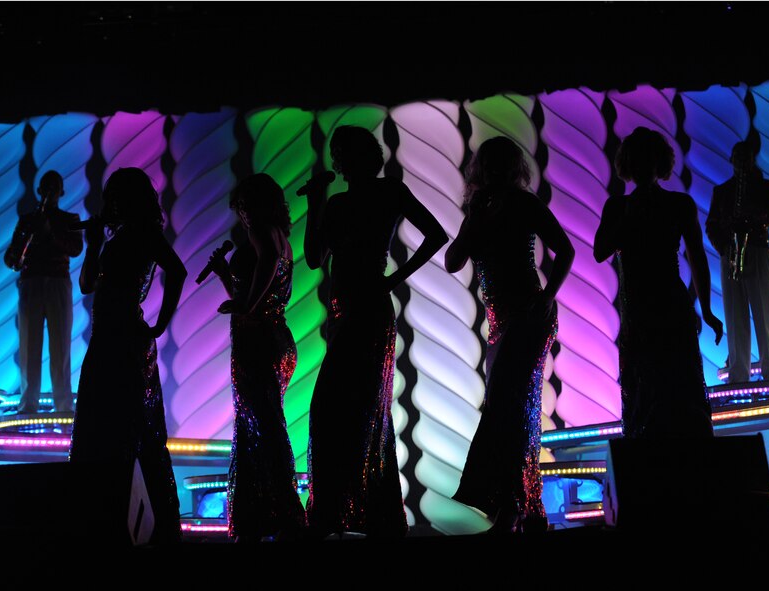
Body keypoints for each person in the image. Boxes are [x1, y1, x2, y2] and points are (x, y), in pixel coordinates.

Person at [303, 125, 448, 538]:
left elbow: (436, 234)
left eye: (345, 152)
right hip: (344, 312)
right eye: (338, 153)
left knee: (358, 410)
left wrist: (393, 279)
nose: (340, 160)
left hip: (367, 311)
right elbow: (314, 257)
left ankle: (354, 516)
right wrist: (316, 203)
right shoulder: (337, 203)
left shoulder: (389, 192)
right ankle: (346, 514)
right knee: (338, 411)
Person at [445, 136, 575, 534]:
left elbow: (566, 250)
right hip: (499, 322)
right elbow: (452, 261)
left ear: (513, 168)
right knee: (516, 409)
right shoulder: (479, 209)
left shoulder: (524, 203)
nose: (494, 172)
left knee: (507, 405)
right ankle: (525, 507)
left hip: (529, 316)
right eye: (489, 165)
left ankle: (512, 507)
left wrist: (547, 298)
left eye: (501, 165)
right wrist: (474, 219)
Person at [69, 167, 186, 545]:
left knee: (134, 429)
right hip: (105, 340)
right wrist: (92, 244)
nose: (110, 205)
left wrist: (160, 324)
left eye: (116, 198)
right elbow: (87, 285)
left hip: (127, 342)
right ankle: (103, 519)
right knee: (99, 425)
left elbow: (178, 271)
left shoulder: (144, 232)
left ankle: (149, 526)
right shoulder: (116, 236)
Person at [594, 127, 724, 439]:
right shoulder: (619, 206)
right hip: (638, 309)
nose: (643, 166)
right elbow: (600, 251)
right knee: (645, 388)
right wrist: (628, 218)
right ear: (629, 164)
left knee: (679, 384)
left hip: (669, 304)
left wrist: (706, 310)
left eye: (648, 159)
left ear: (658, 163)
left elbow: (698, 257)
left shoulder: (679, 204)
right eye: (637, 160)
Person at [208, 173, 306, 542]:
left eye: (249, 204)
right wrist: (226, 277)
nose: (244, 212)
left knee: (263, 426)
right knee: (258, 424)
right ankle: (262, 516)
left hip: (259, 341)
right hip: (274, 337)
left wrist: (247, 304)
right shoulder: (282, 236)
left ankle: (285, 518)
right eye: (241, 205)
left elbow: (264, 267)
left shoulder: (263, 232)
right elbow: (252, 291)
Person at [3, 171, 82, 414]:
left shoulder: (69, 219)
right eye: (47, 186)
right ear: (40, 191)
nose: (50, 191)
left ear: (61, 192)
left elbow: (76, 248)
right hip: (32, 282)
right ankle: (28, 403)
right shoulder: (28, 220)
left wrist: (50, 233)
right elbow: (11, 257)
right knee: (29, 345)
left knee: (61, 346)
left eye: (54, 187)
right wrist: (26, 241)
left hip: (57, 282)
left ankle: (63, 405)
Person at [706, 141, 769, 383]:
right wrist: (725, 248)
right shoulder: (722, 191)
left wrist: (756, 215)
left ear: (751, 160)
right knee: (735, 316)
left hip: (758, 250)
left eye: (745, 157)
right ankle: (739, 374)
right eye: (738, 158)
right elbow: (711, 226)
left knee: (764, 316)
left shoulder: (766, 188)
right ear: (733, 160)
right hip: (732, 254)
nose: (741, 162)